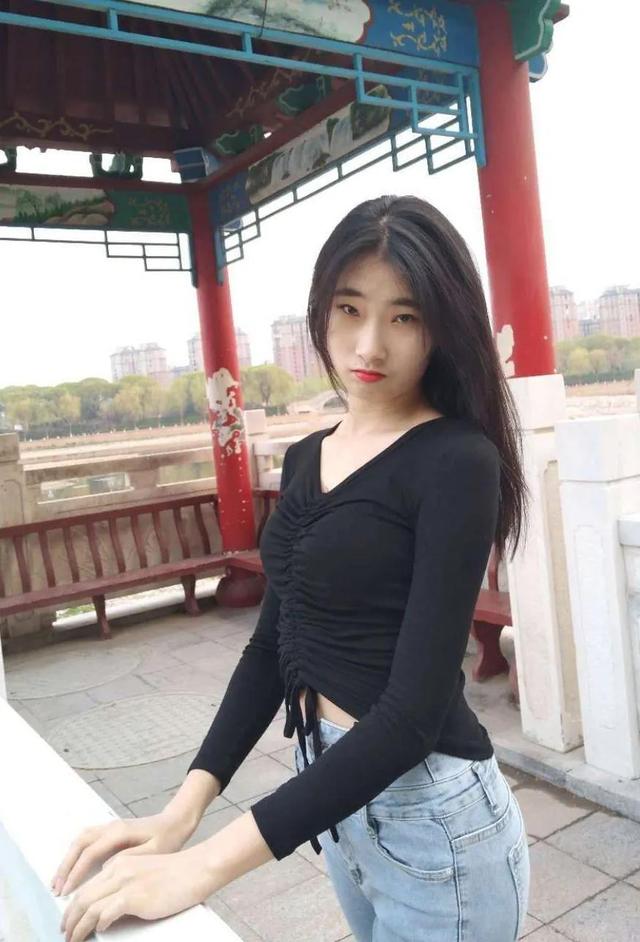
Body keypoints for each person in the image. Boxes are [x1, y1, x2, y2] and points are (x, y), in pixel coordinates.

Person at [52, 194, 531, 942]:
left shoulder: (455, 462)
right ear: (321, 309)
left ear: (442, 326)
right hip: (336, 805)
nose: (369, 344)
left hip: (434, 822)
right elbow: (272, 646)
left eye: (404, 317)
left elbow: (412, 715)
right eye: (349, 309)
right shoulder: (309, 456)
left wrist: (205, 866)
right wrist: (180, 815)